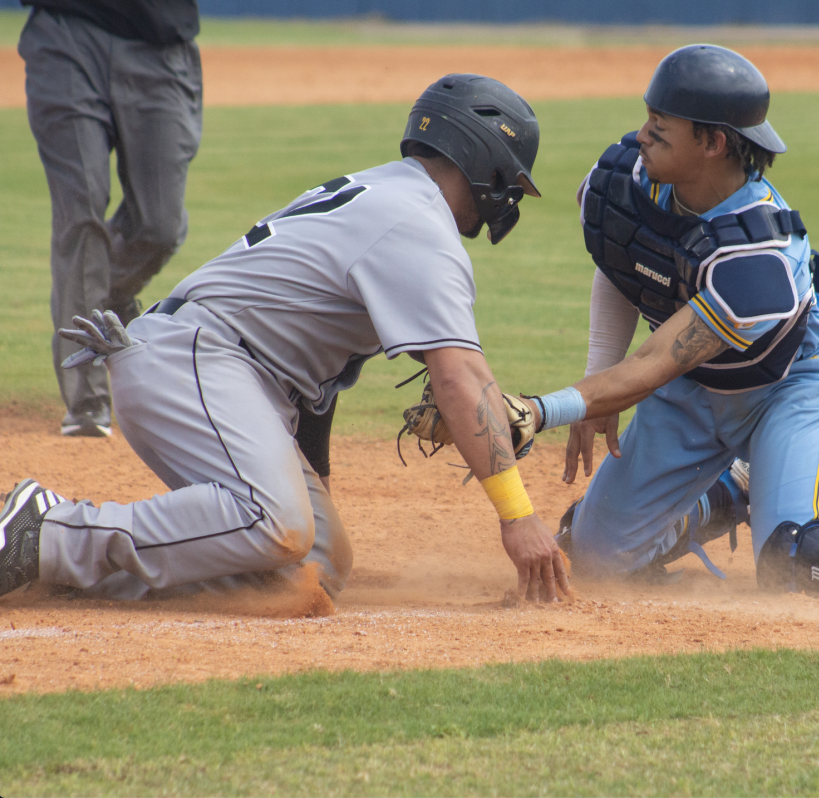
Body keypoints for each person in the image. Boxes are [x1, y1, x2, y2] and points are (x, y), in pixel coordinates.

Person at [0, 75, 572, 605]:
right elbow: (459, 377)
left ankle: (71, 571)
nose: (508, 199)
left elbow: (320, 383)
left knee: (308, 570)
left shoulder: (390, 195)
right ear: (486, 164)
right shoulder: (419, 227)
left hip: (223, 373)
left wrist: (312, 482)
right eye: (509, 183)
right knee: (275, 522)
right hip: (198, 360)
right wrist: (517, 517)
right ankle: (47, 529)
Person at [516, 45, 819, 597]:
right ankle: (737, 486)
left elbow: (650, 363)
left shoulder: (759, 256)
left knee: (803, 567)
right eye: (647, 119)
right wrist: (600, 383)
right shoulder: (625, 181)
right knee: (594, 557)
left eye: (660, 129)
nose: (641, 136)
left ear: (713, 143)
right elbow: (623, 264)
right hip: (690, 392)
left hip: (785, 392)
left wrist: (542, 409)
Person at [18, 0, 204, 438]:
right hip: (66, 34)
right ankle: (87, 403)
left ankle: (98, 301)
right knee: (80, 213)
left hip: (160, 42)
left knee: (159, 226)